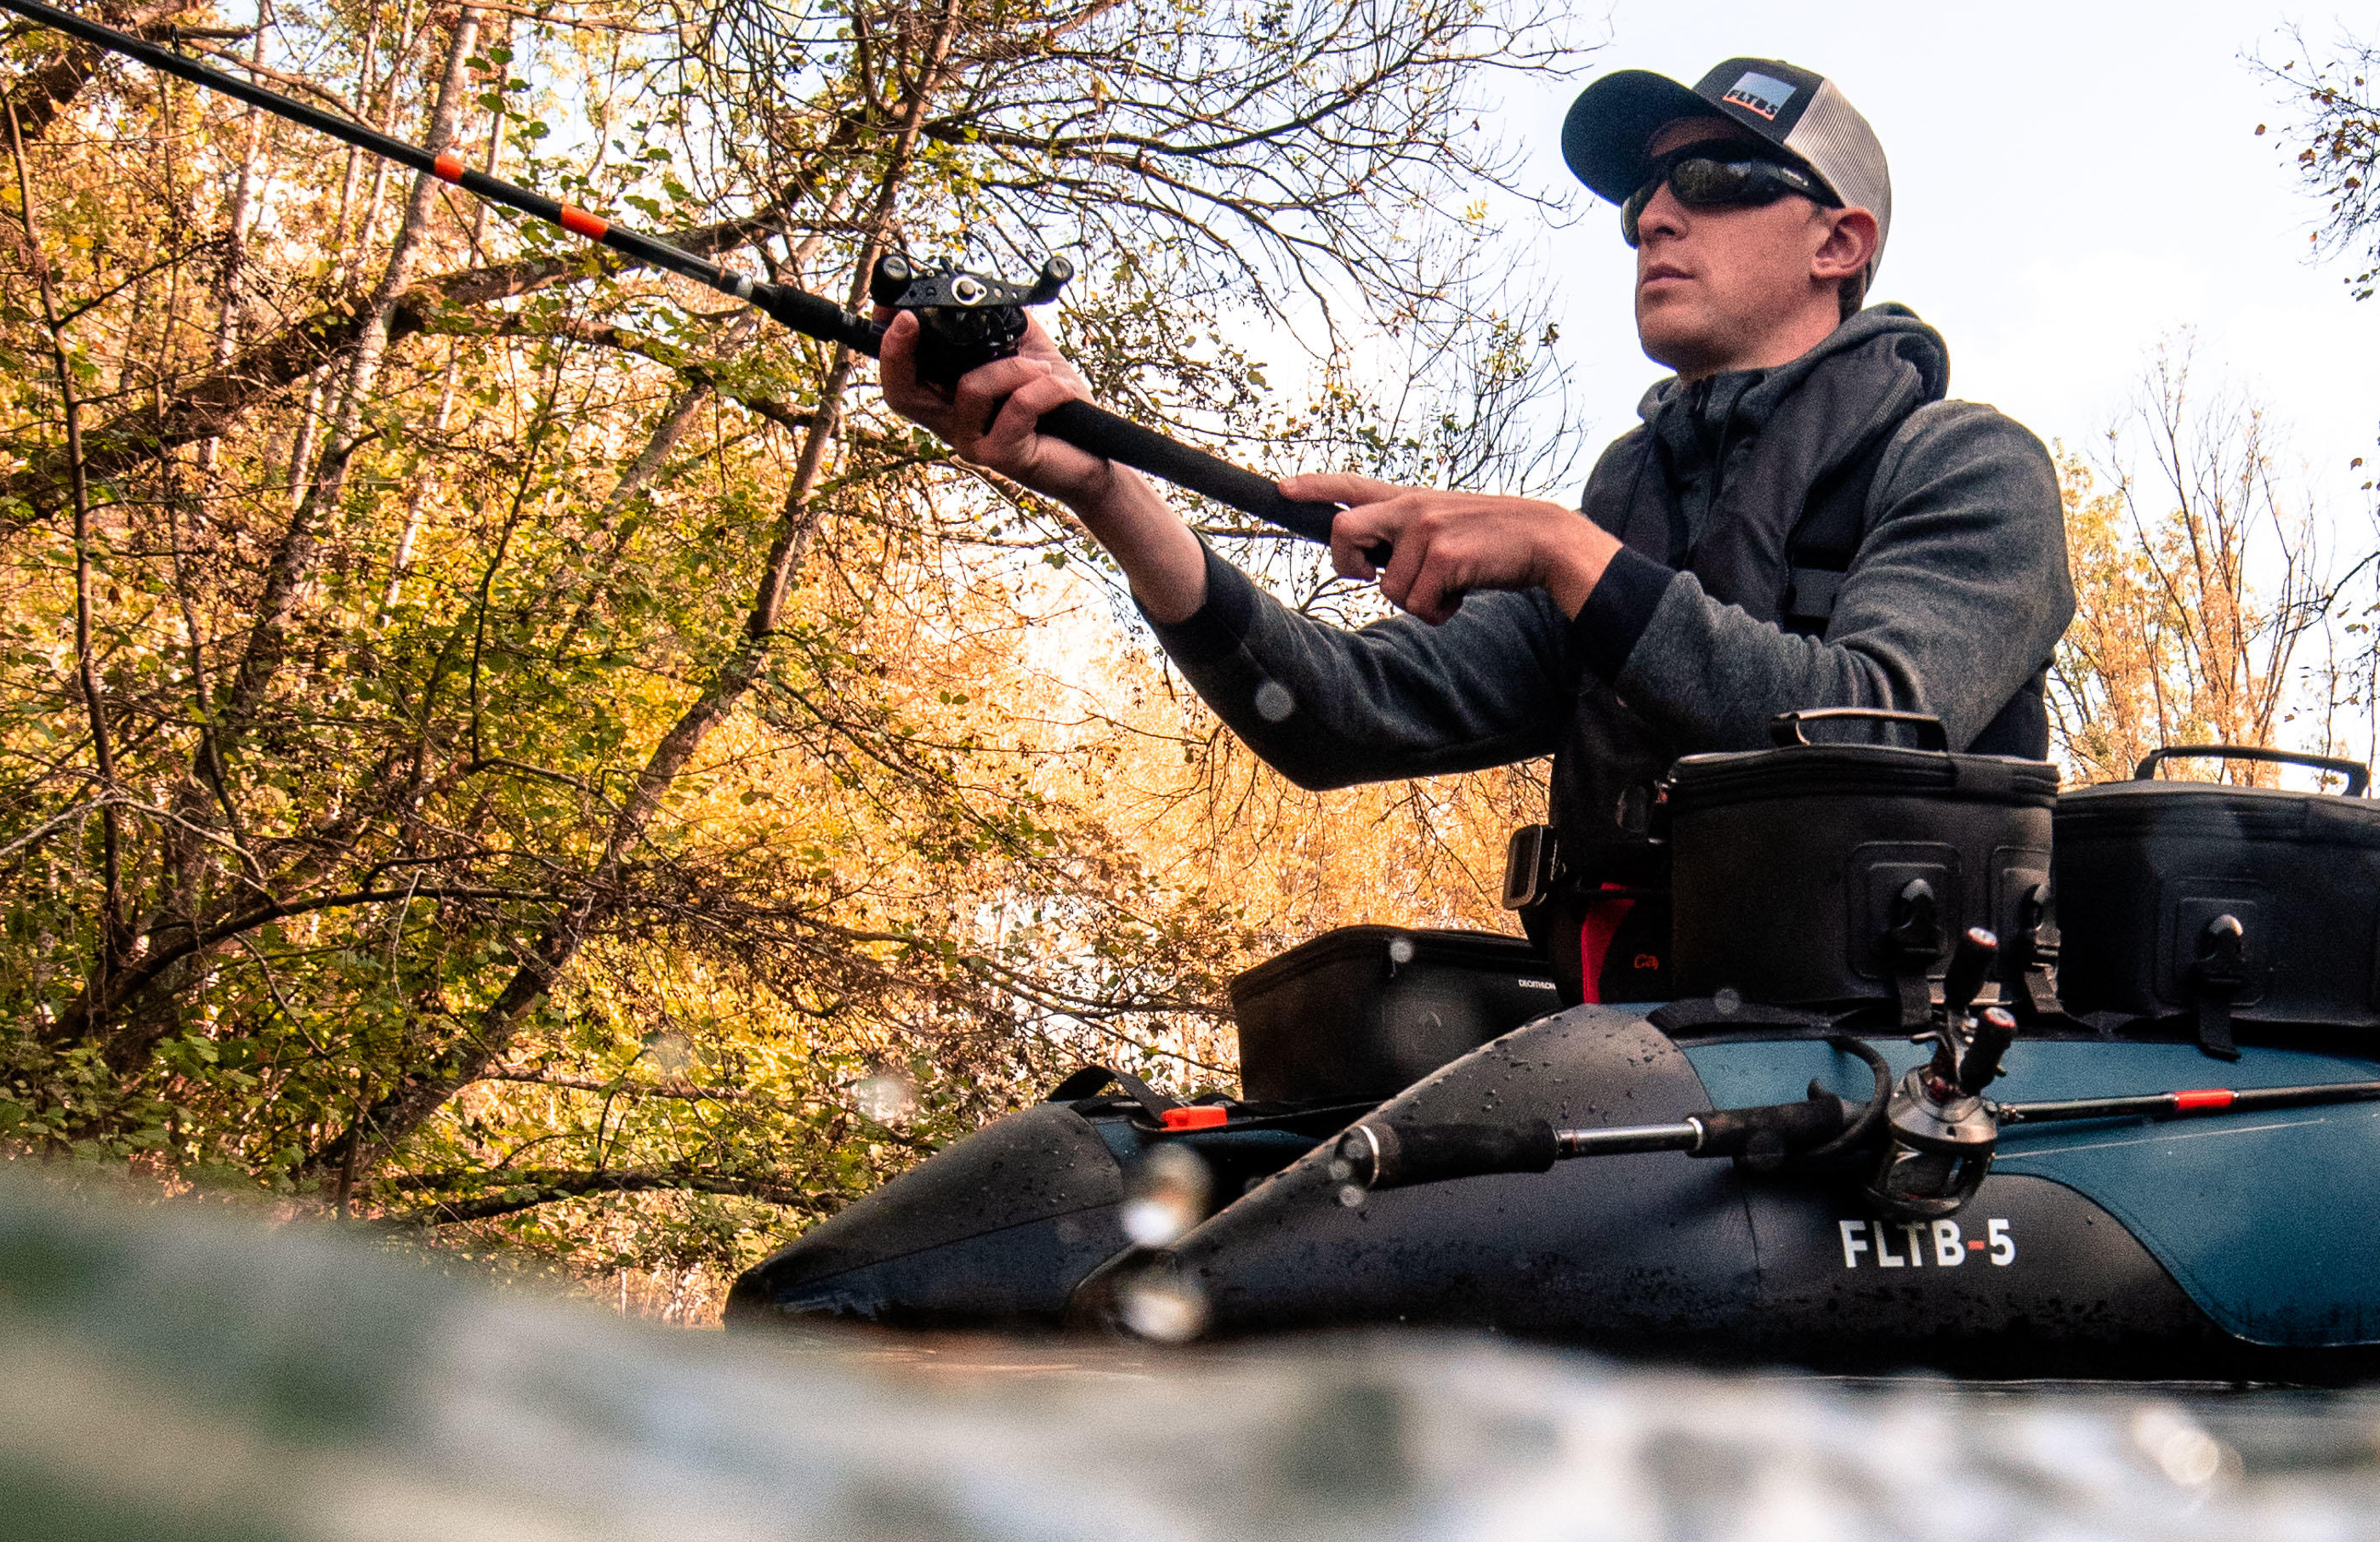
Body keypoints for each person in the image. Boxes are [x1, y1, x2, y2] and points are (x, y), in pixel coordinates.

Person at [879, 50, 2074, 1001]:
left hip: (1905, 1058)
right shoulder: (1629, 510)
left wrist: (1565, 552)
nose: (1657, 214)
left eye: (1712, 178)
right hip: (1642, 1043)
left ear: (1839, 241)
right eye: (1640, 199)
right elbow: (1343, 714)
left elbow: (1880, 730)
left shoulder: (1972, 466)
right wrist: (1104, 488)